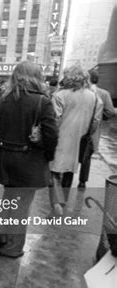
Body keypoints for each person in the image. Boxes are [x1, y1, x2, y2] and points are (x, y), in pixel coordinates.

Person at [0, 61, 58, 258]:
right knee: (21, 206)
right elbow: (52, 135)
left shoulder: (3, 100)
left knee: (8, 200)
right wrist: (48, 155)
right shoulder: (42, 102)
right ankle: (12, 248)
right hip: (30, 161)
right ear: (38, 78)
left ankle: (0, 237)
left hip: (5, 159)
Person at [48, 65, 100, 217]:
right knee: (70, 172)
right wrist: (86, 134)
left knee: (54, 173)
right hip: (80, 140)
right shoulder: (93, 96)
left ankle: (57, 206)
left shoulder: (59, 95)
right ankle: (62, 203)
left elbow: (55, 121)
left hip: (60, 139)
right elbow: (95, 121)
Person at [78, 70, 116, 188]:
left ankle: (66, 180)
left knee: (73, 154)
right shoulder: (103, 93)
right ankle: (82, 182)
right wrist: (99, 118)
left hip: (76, 128)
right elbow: (110, 112)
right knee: (86, 156)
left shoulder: (79, 92)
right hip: (93, 131)